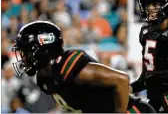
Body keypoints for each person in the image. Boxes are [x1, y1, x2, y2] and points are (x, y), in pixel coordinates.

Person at [12, 21, 155, 113]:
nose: (23, 58)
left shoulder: (67, 66)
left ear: (43, 50)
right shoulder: (45, 78)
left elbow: (122, 80)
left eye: (26, 52)